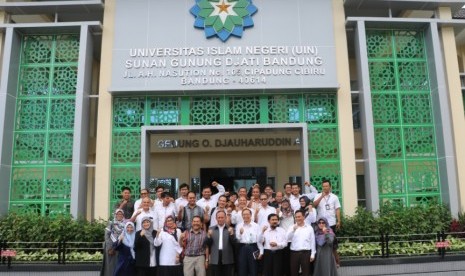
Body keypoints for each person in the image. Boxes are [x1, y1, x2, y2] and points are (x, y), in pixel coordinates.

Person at [313, 179, 341, 267]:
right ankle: (321, 262)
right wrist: (321, 196)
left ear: (330, 187)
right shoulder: (318, 195)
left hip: (331, 223)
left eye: (327, 186)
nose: (325, 188)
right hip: (320, 224)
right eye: (323, 186)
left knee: (332, 244)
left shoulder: (334, 197)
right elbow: (314, 205)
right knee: (320, 243)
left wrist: (339, 220)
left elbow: (337, 209)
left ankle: (336, 263)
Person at [207, 210, 236, 276]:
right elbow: (207, 244)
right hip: (215, 257)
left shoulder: (231, 229)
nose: (220, 219)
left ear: (225, 218)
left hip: (227, 257)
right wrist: (208, 236)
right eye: (219, 217)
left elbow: (234, 244)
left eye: (222, 217)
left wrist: (231, 234)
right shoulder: (211, 229)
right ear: (216, 218)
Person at [287, 210, 315, 276]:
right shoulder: (291, 227)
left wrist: (313, 254)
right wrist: (293, 230)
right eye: (296, 217)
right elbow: (287, 238)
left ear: (303, 217)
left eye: (299, 217)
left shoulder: (309, 228)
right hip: (294, 253)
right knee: (294, 272)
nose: (297, 218)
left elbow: (312, 241)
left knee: (306, 272)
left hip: (306, 253)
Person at [235, 208, 263, 276]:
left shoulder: (256, 226)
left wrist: (261, 252)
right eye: (244, 214)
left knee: (253, 268)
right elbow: (237, 239)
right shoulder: (239, 226)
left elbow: (259, 240)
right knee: (242, 268)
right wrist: (240, 233)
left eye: (247, 214)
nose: (245, 216)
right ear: (242, 216)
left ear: (251, 215)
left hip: (253, 248)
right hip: (242, 248)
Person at [101, 209, 126, 276]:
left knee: (120, 266)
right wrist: (110, 248)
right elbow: (107, 235)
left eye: (121, 214)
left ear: (123, 215)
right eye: (118, 214)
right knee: (111, 266)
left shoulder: (125, 224)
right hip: (111, 248)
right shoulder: (111, 223)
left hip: (121, 247)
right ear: (115, 215)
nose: (119, 215)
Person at [278, 199, 294, 276]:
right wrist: (278, 214)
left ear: (289, 203)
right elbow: (277, 222)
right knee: (282, 258)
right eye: (283, 202)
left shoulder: (293, 212)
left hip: (291, 238)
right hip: (282, 238)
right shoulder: (279, 212)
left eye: (286, 203)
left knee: (289, 258)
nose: (284, 204)